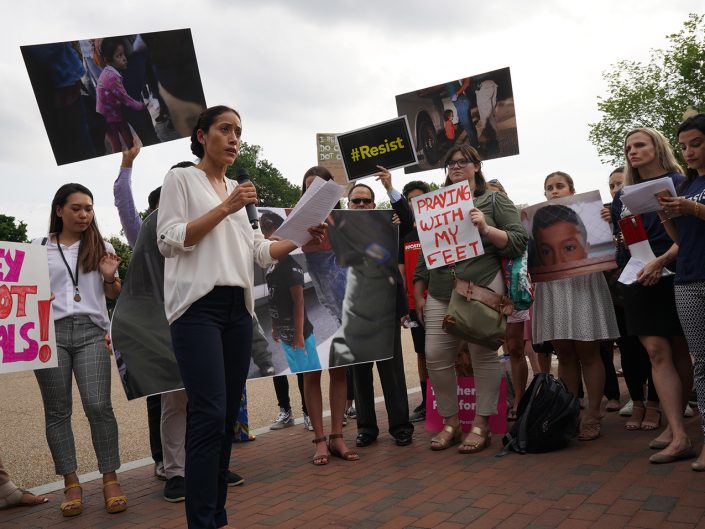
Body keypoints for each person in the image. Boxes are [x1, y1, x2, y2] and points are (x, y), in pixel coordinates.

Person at [157, 105, 323, 528]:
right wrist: (227, 206)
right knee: (208, 412)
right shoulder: (182, 179)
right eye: (224, 129)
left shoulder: (239, 191)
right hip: (197, 309)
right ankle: (202, 521)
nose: (233, 138)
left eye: (238, 132)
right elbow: (170, 239)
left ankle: (217, 514)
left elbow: (261, 253)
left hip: (237, 309)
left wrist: (303, 233)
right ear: (201, 135)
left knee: (227, 415)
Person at [413, 145, 528, 453]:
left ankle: (481, 423)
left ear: (477, 165)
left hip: (482, 286)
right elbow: (427, 251)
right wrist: (418, 291)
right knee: (436, 356)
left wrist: (486, 227)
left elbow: (518, 241)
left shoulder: (493, 200)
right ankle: (451, 422)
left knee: (483, 354)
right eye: (451, 162)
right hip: (440, 290)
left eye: (463, 161)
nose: (456, 166)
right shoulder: (435, 204)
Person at [33, 183, 126, 517]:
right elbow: (23, 296)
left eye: (89, 208)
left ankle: (110, 478)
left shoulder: (102, 246)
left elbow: (114, 294)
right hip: (49, 334)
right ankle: (70, 483)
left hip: (91, 332)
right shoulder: (38, 248)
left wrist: (109, 276)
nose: (84, 214)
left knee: (98, 405)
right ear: (59, 210)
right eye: (76, 208)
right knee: (57, 411)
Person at [612, 128, 694, 464]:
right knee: (656, 351)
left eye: (640, 144)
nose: (633, 151)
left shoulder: (682, 182)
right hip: (638, 276)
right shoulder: (623, 195)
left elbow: (688, 236)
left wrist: (661, 262)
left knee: (678, 350)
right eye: (629, 146)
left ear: (657, 147)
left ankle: (680, 427)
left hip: (676, 271)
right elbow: (628, 240)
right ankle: (677, 432)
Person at [533, 171, 619, 441]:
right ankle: (571, 412)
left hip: (583, 285)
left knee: (588, 351)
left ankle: (593, 413)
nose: (554, 191)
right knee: (565, 354)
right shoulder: (536, 225)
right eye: (549, 187)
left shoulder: (591, 216)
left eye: (560, 186)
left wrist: (609, 222)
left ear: (572, 189)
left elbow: (609, 246)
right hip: (552, 287)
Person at [344, 178, 414, 448]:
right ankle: (366, 428)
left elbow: (408, 221)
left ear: (374, 204)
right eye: (356, 201)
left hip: (385, 309)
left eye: (366, 200)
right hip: (355, 312)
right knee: (360, 373)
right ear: (348, 206)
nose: (361, 204)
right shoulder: (337, 231)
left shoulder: (391, 226)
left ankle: (400, 427)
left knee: (392, 370)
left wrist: (389, 188)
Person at [658, 113, 705, 470]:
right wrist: (668, 218)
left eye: (697, 143)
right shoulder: (686, 185)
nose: (688, 151)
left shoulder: (691, 195)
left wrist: (693, 209)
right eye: (684, 145)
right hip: (688, 278)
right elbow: (681, 241)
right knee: (702, 363)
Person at [602, 167, 659, 427]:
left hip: (653, 279)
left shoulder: (647, 204)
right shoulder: (607, 213)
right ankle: (637, 402)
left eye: (620, 183)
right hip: (621, 290)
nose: (616, 189)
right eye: (612, 185)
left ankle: (656, 404)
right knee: (627, 347)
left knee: (655, 348)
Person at [259, 210, 322, 373]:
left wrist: (299, 335)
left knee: (310, 370)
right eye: (263, 232)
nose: (267, 239)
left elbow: (299, 302)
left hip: (301, 336)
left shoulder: (292, 269)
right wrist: (274, 327)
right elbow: (273, 301)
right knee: (296, 369)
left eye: (268, 230)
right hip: (285, 336)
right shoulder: (271, 268)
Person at [398, 180, 432, 422]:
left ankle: (455, 397)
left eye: (420, 198)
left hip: (440, 302)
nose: (415, 203)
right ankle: (427, 400)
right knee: (422, 353)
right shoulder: (405, 235)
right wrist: (404, 307)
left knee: (447, 353)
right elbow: (401, 274)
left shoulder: (440, 228)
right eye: (411, 200)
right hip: (413, 305)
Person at [96, 37, 145, 153]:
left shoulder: (109, 71)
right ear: (108, 60)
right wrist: (141, 105)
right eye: (119, 56)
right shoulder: (112, 77)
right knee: (117, 145)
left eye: (123, 54)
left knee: (128, 139)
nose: (124, 59)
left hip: (114, 112)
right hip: (108, 117)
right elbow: (126, 99)